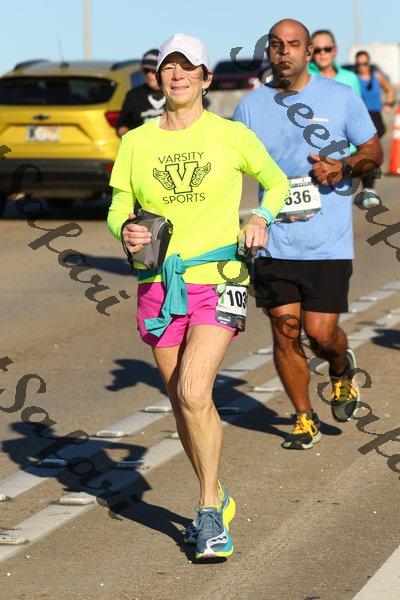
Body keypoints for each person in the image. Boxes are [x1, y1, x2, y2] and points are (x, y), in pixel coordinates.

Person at [107, 33, 289, 558]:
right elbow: (118, 207)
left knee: (192, 389)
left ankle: (208, 510)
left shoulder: (231, 135)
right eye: (170, 67)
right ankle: (218, 494)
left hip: (220, 277)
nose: (178, 75)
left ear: (206, 78)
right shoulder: (137, 142)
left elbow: (276, 183)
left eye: (188, 68)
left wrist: (261, 216)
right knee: (184, 403)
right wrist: (125, 231)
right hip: (159, 283)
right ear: (159, 77)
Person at [234, 19, 383, 450]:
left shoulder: (340, 97)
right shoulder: (249, 108)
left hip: (327, 242)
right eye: (276, 45)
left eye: (293, 45)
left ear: (307, 51)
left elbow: (374, 152)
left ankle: (340, 368)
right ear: (269, 51)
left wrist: (344, 167)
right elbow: (230, 168)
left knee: (319, 335)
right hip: (274, 241)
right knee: (285, 330)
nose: (284, 52)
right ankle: (304, 416)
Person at [355, 50, 395, 208]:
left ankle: (368, 188)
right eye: (359, 64)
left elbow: (389, 90)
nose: (362, 66)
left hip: (376, 118)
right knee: (366, 152)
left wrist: (388, 104)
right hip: (361, 117)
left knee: (372, 152)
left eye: (365, 63)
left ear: (369, 63)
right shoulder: (354, 79)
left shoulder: (377, 76)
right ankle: (368, 188)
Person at [116, 49, 166, 137]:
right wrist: (133, 139)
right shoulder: (134, 95)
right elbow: (122, 126)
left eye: (153, 70)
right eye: (146, 70)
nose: (149, 75)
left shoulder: (175, 92)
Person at [308, 29, 360, 94]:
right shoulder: (304, 76)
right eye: (317, 50)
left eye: (327, 49)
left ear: (335, 50)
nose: (322, 53)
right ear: (311, 51)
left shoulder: (350, 78)